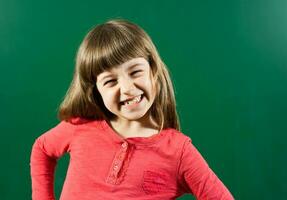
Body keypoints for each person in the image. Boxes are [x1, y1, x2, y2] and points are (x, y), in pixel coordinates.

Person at [30, 18, 234, 200]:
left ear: (153, 70)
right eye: (110, 81)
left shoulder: (179, 151)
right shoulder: (80, 127)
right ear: (96, 90)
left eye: (135, 72)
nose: (127, 89)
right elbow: (42, 148)